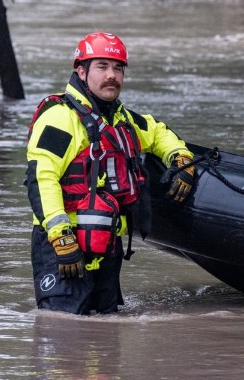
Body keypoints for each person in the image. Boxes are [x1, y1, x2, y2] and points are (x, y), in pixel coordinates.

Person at [26, 31, 197, 315]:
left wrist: (181, 159)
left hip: (106, 244)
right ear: (81, 71)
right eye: (102, 66)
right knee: (60, 329)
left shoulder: (121, 119)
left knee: (104, 333)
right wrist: (61, 237)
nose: (112, 76)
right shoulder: (59, 117)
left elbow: (158, 133)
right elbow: (41, 179)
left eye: (118, 68)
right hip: (63, 245)